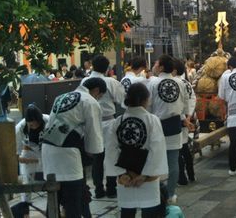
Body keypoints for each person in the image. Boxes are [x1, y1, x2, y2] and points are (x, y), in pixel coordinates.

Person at [41, 78, 105, 218]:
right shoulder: (89, 101)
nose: (98, 99)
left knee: (53, 198)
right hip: (68, 152)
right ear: (96, 91)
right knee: (72, 201)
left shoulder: (61, 97)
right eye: (99, 96)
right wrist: (93, 153)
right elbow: (93, 133)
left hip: (47, 148)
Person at [104, 83, 169, 218]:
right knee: (149, 211)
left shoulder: (117, 121)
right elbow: (157, 150)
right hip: (147, 176)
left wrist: (122, 174)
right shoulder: (152, 120)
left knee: (127, 212)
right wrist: (145, 175)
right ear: (145, 100)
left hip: (126, 175)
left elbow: (111, 150)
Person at [81, 55, 125, 199]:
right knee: (111, 155)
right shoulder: (111, 82)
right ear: (107, 68)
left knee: (97, 157)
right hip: (109, 121)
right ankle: (111, 188)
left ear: (92, 65)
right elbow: (121, 100)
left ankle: (98, 189)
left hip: (91, 122)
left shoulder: (84, 81)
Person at [147, 55, 189, 202]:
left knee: (155, 161)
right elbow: (185, 105)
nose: (154, 65)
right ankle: (170, 194)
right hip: (175, 124)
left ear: (162, 67)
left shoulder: (153, 83)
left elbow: (148, 106)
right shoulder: (180, 83)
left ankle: (157, 192)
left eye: (156, 63)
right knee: (173, 161)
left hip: (157, 125)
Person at [15, 104, 50, 203]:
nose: (34, 127)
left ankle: (54, 205)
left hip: (46, 149)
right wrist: (34, 160)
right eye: (31, 125)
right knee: (27, 181)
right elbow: (16, 156)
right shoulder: (20, 128)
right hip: (29, 151)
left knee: (52, 179)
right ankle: (25, 208)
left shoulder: (48, 120)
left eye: (36, 123)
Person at [172, 59, 196, 185]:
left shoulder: (174, 83)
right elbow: (192, 99)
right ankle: (191, 174)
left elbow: (176, 103)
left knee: (178, 150)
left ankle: (181, 177)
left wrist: (183, 117)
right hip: (186, 117)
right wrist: (189, 116)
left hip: (178, 118)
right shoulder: (186, 83)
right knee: (185, 148)